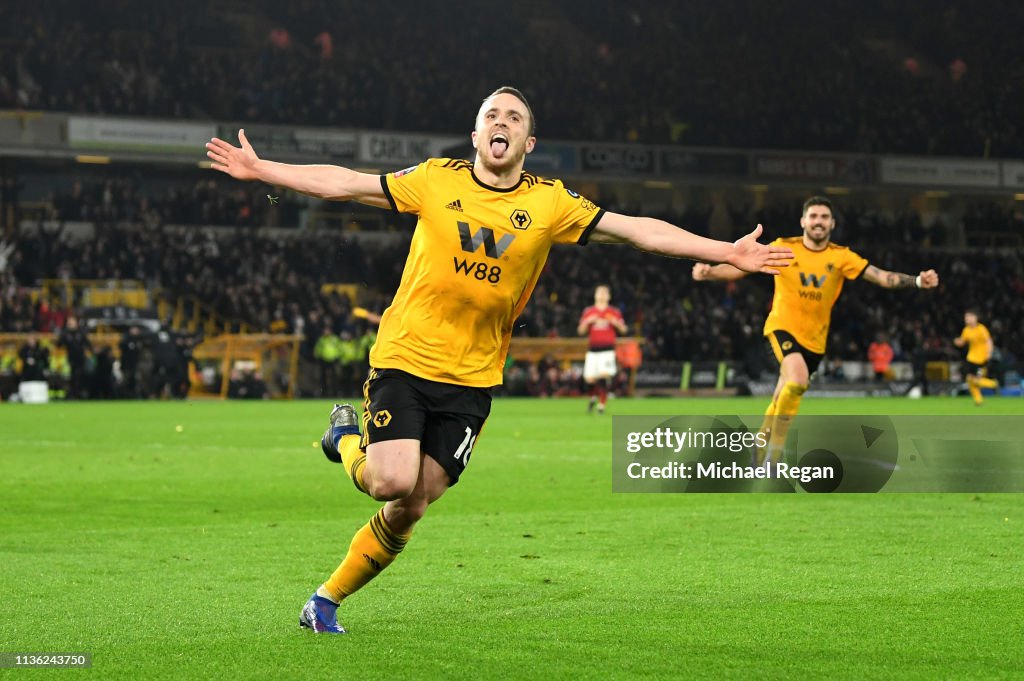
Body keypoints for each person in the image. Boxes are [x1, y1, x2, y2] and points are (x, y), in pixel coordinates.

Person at [206, 86, 793, 634]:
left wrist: (724, 251)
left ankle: (324, 602)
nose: (501, 123)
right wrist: (263, 169)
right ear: (475, 134)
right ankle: (346, 440)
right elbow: (346, 184)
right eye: (492, 115)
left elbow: (636, 230)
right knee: (390, 480)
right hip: (406, 358)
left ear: (528, 144)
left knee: (414, 505)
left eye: (514, 118)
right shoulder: (436, 180)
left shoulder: (550, 202)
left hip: (474, 377)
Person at [693, 196, 939, 464]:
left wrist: (916, 281)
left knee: (784, 393)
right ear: (803, 221)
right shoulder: (783, 247)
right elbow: (741, 270)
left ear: (832, 223)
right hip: (781, 327)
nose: (818, 222)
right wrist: (712, 273)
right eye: (813, 216)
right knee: (797, 380)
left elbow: (880, 277)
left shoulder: (842, 256)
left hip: (815, 341)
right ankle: (773, 459)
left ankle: (759, 444)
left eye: (823, 217)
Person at [577, 284, 627, 413]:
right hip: (593, 349)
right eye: (600, 292)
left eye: (605, 293)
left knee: (604, 376)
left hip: (607, 349)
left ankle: (601, 405)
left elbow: (624, 329)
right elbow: (580, 331)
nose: (602, 295)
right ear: (595, 295)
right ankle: (594, 396)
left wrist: (615, 323)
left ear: (609, 296)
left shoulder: (613, 312)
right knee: (590, 379)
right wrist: (588, 322)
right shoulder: (589, 312)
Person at [953, 309, 998, 405]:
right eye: (966, 318)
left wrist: (989, 354)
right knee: (969, 379)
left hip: (981, 359)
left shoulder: (981, 329)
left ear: (975, 318)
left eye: (969, 317)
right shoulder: (966, 330)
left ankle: (993, 384)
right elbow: (962, 341)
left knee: (976, 380)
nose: (967, 319)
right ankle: (978, 400)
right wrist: (957, 342)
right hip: (971, 358)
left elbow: (989, 342)